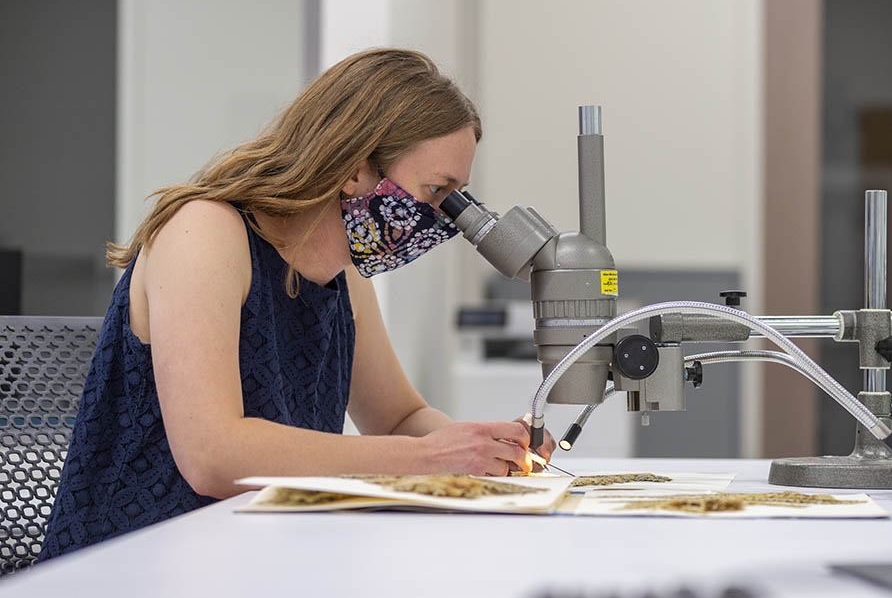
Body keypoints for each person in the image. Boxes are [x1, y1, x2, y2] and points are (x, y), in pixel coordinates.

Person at [40, 48, 555, 559]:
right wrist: (425, 458)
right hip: (134, 561)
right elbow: (212, 455)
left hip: (254, 554)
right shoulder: (204, 233)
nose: (444, 217)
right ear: (355, 171)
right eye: (436, 190)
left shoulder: (343, 275)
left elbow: (399, 417)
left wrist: (487, 449)